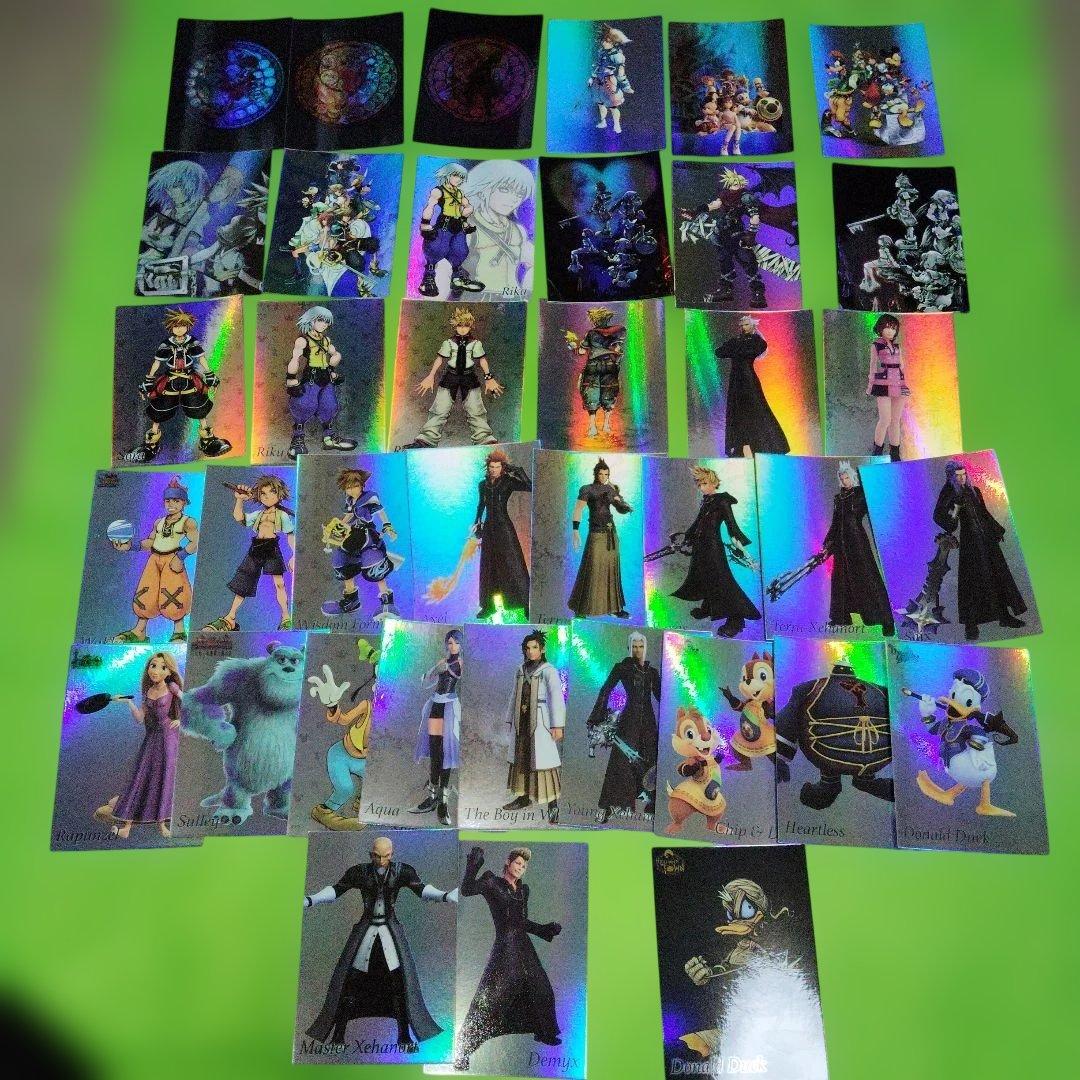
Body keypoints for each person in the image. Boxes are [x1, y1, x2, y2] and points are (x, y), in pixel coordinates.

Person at [303, 836, 459, 1049]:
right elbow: (337, 890)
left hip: (389, 933)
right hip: (366, 932)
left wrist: (445, 896)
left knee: (399, 984)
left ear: (391, 855)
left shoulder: (402, 871)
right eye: (377, 856)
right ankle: (338, 1036)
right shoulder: (359, 872)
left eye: (386, 856)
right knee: (350, 983)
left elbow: (421, 889)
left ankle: (404, 1036)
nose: (381, 861)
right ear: (371, 855)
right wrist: (311, 900)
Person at [454, 846, 562, 1071]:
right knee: (493, 997)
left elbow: (522, 922)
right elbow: (466, 889)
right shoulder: (491, 882)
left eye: (524, 866)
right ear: (508, 862)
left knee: (541, 988)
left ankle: (544, 1032)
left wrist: (544, 929)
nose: (521, 868)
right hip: (506, 946)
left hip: (524, 946)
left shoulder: (523, 890)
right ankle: (463, 1049)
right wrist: (473, 865)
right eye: (518, 863)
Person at [93, 651, 183, 839]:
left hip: (168, 739)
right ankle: (126, 827)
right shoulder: (148, 692)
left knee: (164, 779)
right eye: (153, 665)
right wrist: (128, 703)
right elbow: (140, 718)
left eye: (162, 667)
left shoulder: (172, 687)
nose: (156, 670)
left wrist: (181, 720)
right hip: (152, 739)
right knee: (141, 777)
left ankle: (162, 825)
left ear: (169, 672)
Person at [932, 461, 1027, 640]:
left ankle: (1004, 616)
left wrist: (997, 530)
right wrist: (956, 507)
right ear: (951, 477)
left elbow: (984, 513)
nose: (962, 478)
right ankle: (971, 625)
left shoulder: (974, 491)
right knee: (972, 582)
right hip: (971, 543)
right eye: (958, 476)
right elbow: (944, 520)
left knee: (997, 576)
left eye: (964, 475)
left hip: (987, 540)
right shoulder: (949, 494)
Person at [126, 308, 232, 463]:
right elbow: (157, 363)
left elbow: (201, 359)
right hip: (171, 379)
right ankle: (150, 445)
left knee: (199, 408)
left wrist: (209, 375)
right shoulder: (166, 344)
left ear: (188, 326)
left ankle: (208, 441)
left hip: (189, 378)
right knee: (159, 410)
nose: (179, 329)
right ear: (171, 328)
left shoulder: (192, 342)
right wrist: (149, 380)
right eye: (176, 326)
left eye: (182, 326)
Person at [671, 466, 761, 637]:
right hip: (700, 546)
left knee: (721, 580)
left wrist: (741, 548)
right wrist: (686, 537)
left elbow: (731, 525)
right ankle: (708, 607)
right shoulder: (707, 501)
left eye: (704, 483)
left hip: (712, 547)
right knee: (703, 576)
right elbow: (698, 522)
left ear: (714, 483)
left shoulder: (722, 501)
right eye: (699, 484)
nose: (701, 488)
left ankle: (736, 619)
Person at [110, 475, 199, 643]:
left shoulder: (188, 522)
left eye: (176, 501)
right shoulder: (159, 522)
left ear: (184, 503)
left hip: (172, 559)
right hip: (154, 558)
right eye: (168, 501)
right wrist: (130, 546)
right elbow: (151, 542)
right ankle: (139, 631)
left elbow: (196, 542)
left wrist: (180, 557)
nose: (171, 504)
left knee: (174, 592)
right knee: (146, 591)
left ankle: (179, 631)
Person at [203, 476, 295, 632]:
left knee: (279, 584)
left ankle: (286, 617)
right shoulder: (258, 514)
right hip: (256, 548)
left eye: (272, 492)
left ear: (279, 494)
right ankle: (230, 618)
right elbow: (239, 517)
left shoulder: (282, 515)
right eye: (263, 493)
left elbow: (290, 534)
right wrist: (239, 500)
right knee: (243, 584)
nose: (267, 496)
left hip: (271, 549)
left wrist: (294, 555)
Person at [402, 307, 503, 449]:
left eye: (466, 325)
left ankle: (485, 440)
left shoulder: (475, 343)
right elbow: (440, 359)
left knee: (476, 409)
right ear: (455, 326)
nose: (462, 329)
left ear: (470, 326)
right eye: (459, 325)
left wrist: (488, 377)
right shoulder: (448, 343)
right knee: (439, 408)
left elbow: (482, 360)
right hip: (450, 376)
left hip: (469, 377)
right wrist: (431, 376)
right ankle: (426, 440)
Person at [585, 631, 660, 820]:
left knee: (650, 759)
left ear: (645, 647)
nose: (637, 650)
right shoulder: (622, 668)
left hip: (649, 722)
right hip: (629, 720)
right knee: (620, 761)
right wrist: (597, 717)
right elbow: (606, 689)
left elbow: (662, 697)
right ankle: (609, 806)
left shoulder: (652, 672)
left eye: (640, 646)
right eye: (634, 646)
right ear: (629, 647)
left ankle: (651, 803)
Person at [320, 468, 402, 622]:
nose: (352, 490)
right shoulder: (350, 500)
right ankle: (351, 602)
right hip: (352, 535)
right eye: (348, 487)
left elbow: (381, 512)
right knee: (342, 561)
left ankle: (387, 602)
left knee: (374, 566)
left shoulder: (369, 498)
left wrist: (387, 526)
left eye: (355, 486)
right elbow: (349, 515)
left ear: (362, 485)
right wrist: (335, 526)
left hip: (367, 536)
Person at [823, 462, 894, 635]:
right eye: (842, 478)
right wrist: (828, 543)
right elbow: (835, 522)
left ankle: (886, 621)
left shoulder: (862, 494)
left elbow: (876, 511)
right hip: (840, 544)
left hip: (857, 542)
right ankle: (840, 617)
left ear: (852, 477)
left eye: (847, 477)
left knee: (868, 577)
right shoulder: (839, 498)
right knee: (840, 579)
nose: (844, 481)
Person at [502, 631, 565, 824]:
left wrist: (557, 725)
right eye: (527, 648)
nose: (531, 651)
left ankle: (553, 808)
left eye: (535, 647)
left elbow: (556, 697)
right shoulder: (520, 669)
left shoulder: (548, 671)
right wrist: (509, 719)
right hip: (522, 721)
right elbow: (514, 694)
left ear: (542, 649)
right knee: (522, 758)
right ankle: (523, 798)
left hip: (540, 722)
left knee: (544, 764)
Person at [285, 306, 358, 459]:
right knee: (304, 406)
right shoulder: (303, 340)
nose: (324, 324)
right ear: (311, 320)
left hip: (326, 377)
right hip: (311, 378)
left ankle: (328, 438)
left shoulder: (325, 340)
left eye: (326, 322)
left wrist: (331, 368)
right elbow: (295, 358)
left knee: (329, 406)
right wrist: (291, 378)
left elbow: (335, 354)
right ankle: (297, 440)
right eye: (320, 320)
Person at [459, 159, 535, 300]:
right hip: (480, 299)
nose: (514, 199)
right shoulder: (467, 227)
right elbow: (445, 266)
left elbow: (534, 263)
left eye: (519, 194)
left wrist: (526, 294)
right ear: (483, 190)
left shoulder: (518, 230)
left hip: (514, 299)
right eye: (504, 190)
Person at [715, 315, 790, 457]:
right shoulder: (736, 340)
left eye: (746, 325)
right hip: (735, 381)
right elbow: (719, 352)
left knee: (756, 408)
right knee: (737, 411)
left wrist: (736, 349)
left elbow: (751, 351)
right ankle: (740, 445)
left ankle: (769, 444)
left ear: (753, 326)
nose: (743, 327)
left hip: (748, 379)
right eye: (742, 325)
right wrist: (735, 347)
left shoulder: (756, 341)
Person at [410, 630, 462, 827]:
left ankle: (443, 801)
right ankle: (432, 796)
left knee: (446, 752)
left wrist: (443, 668)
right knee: (435, 751)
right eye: (449, 642)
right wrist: (435, 671)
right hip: (436, 707)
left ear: (461, 645)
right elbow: (426, 682)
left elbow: (457, 674)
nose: (452, 646)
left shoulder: (460, 663)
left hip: (449, 708)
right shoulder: (443, 661)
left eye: (455, 643)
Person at [568, 459, 633, 618]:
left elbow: (620, 508)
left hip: (611, 533)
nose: (604, 477)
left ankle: (614, 608)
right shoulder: (587, 489)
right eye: (601, 474)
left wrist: (622, 502)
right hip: (596, 533)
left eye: (606, 474)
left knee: (612, 570)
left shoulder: (611, 489)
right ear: (596, 474)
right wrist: (575, 530)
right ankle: (582, 609)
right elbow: (578, 509)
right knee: (592, 568)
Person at [473, 450, 531, 620]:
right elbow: (481, 505)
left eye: (497, 467)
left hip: (504, 527)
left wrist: (518, 471)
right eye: (491, 466)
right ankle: (488, 606)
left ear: (502, 467)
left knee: (513, 564)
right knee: (488, 566)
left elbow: (530, 487)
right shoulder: (482, 485)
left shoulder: (508, 482)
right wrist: (477, 523)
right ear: (488, 467)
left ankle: (526, 603)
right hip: (489, 528)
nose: (494, 470)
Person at [417, 162, 485, 298]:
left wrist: (464, 220)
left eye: (461, 177)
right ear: (447, 175)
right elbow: (430, 206)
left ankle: (457, 279)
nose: (459, 179)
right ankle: (428, 280)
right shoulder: (438, 191)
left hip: (457, 225)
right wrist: (425, 224)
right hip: (444, 225)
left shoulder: (459, 192)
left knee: (460, 250)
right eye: (456, 175)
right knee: (436, 249)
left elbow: (468, 206)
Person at [567, 308, 625, 439]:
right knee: (609, 392)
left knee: (591, 393)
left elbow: (582, 351)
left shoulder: (591, 334)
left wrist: (573, 346)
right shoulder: (617, 332)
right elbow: (618, 349)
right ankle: (606, 425)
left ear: (595, 320)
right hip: (610, 366)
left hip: (593, 366)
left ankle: (593, 427)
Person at [865, 313, 908, 460]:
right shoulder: (876, 344)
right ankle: (877, 451)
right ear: (880, 328)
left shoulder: (897, 346)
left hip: (899, 382)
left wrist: (905, 383)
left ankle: (895, 453)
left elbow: (902, 365)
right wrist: (870, 384)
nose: (890, 331)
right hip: (883, 383)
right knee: (885, 420)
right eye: (887, 327)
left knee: (896, 420)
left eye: (893, 328)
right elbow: (872, 366)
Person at [589, 24, 633, 135]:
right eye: (603, 41)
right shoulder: (601, 52)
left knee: (613, 105)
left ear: (613, 42)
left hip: (609, 81)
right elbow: (598, 66)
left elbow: (621, 71)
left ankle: (617, 124)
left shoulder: (617, 55)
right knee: (600, 103)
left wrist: (626, 86)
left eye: (606, 41)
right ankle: (603, 121)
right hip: (598, 81)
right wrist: (592, 77)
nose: (603, 43)